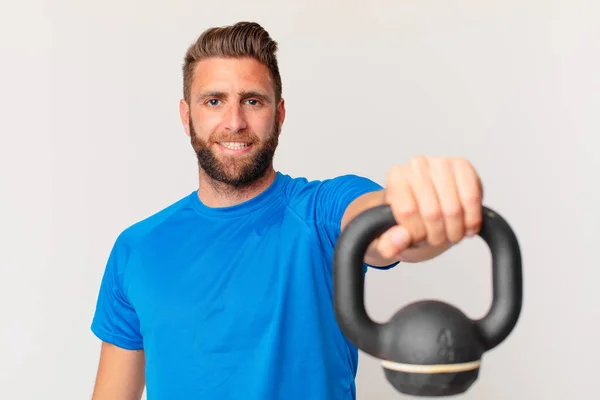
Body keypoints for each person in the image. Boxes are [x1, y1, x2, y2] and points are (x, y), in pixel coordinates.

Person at [89, 21, 483, 400]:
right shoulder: (136, 249)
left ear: (278, 114)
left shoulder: (321, 213)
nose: (234, 122)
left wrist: (420, 211)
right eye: (214, 101)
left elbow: (382, 226)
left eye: (252, 101)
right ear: (186, 115)